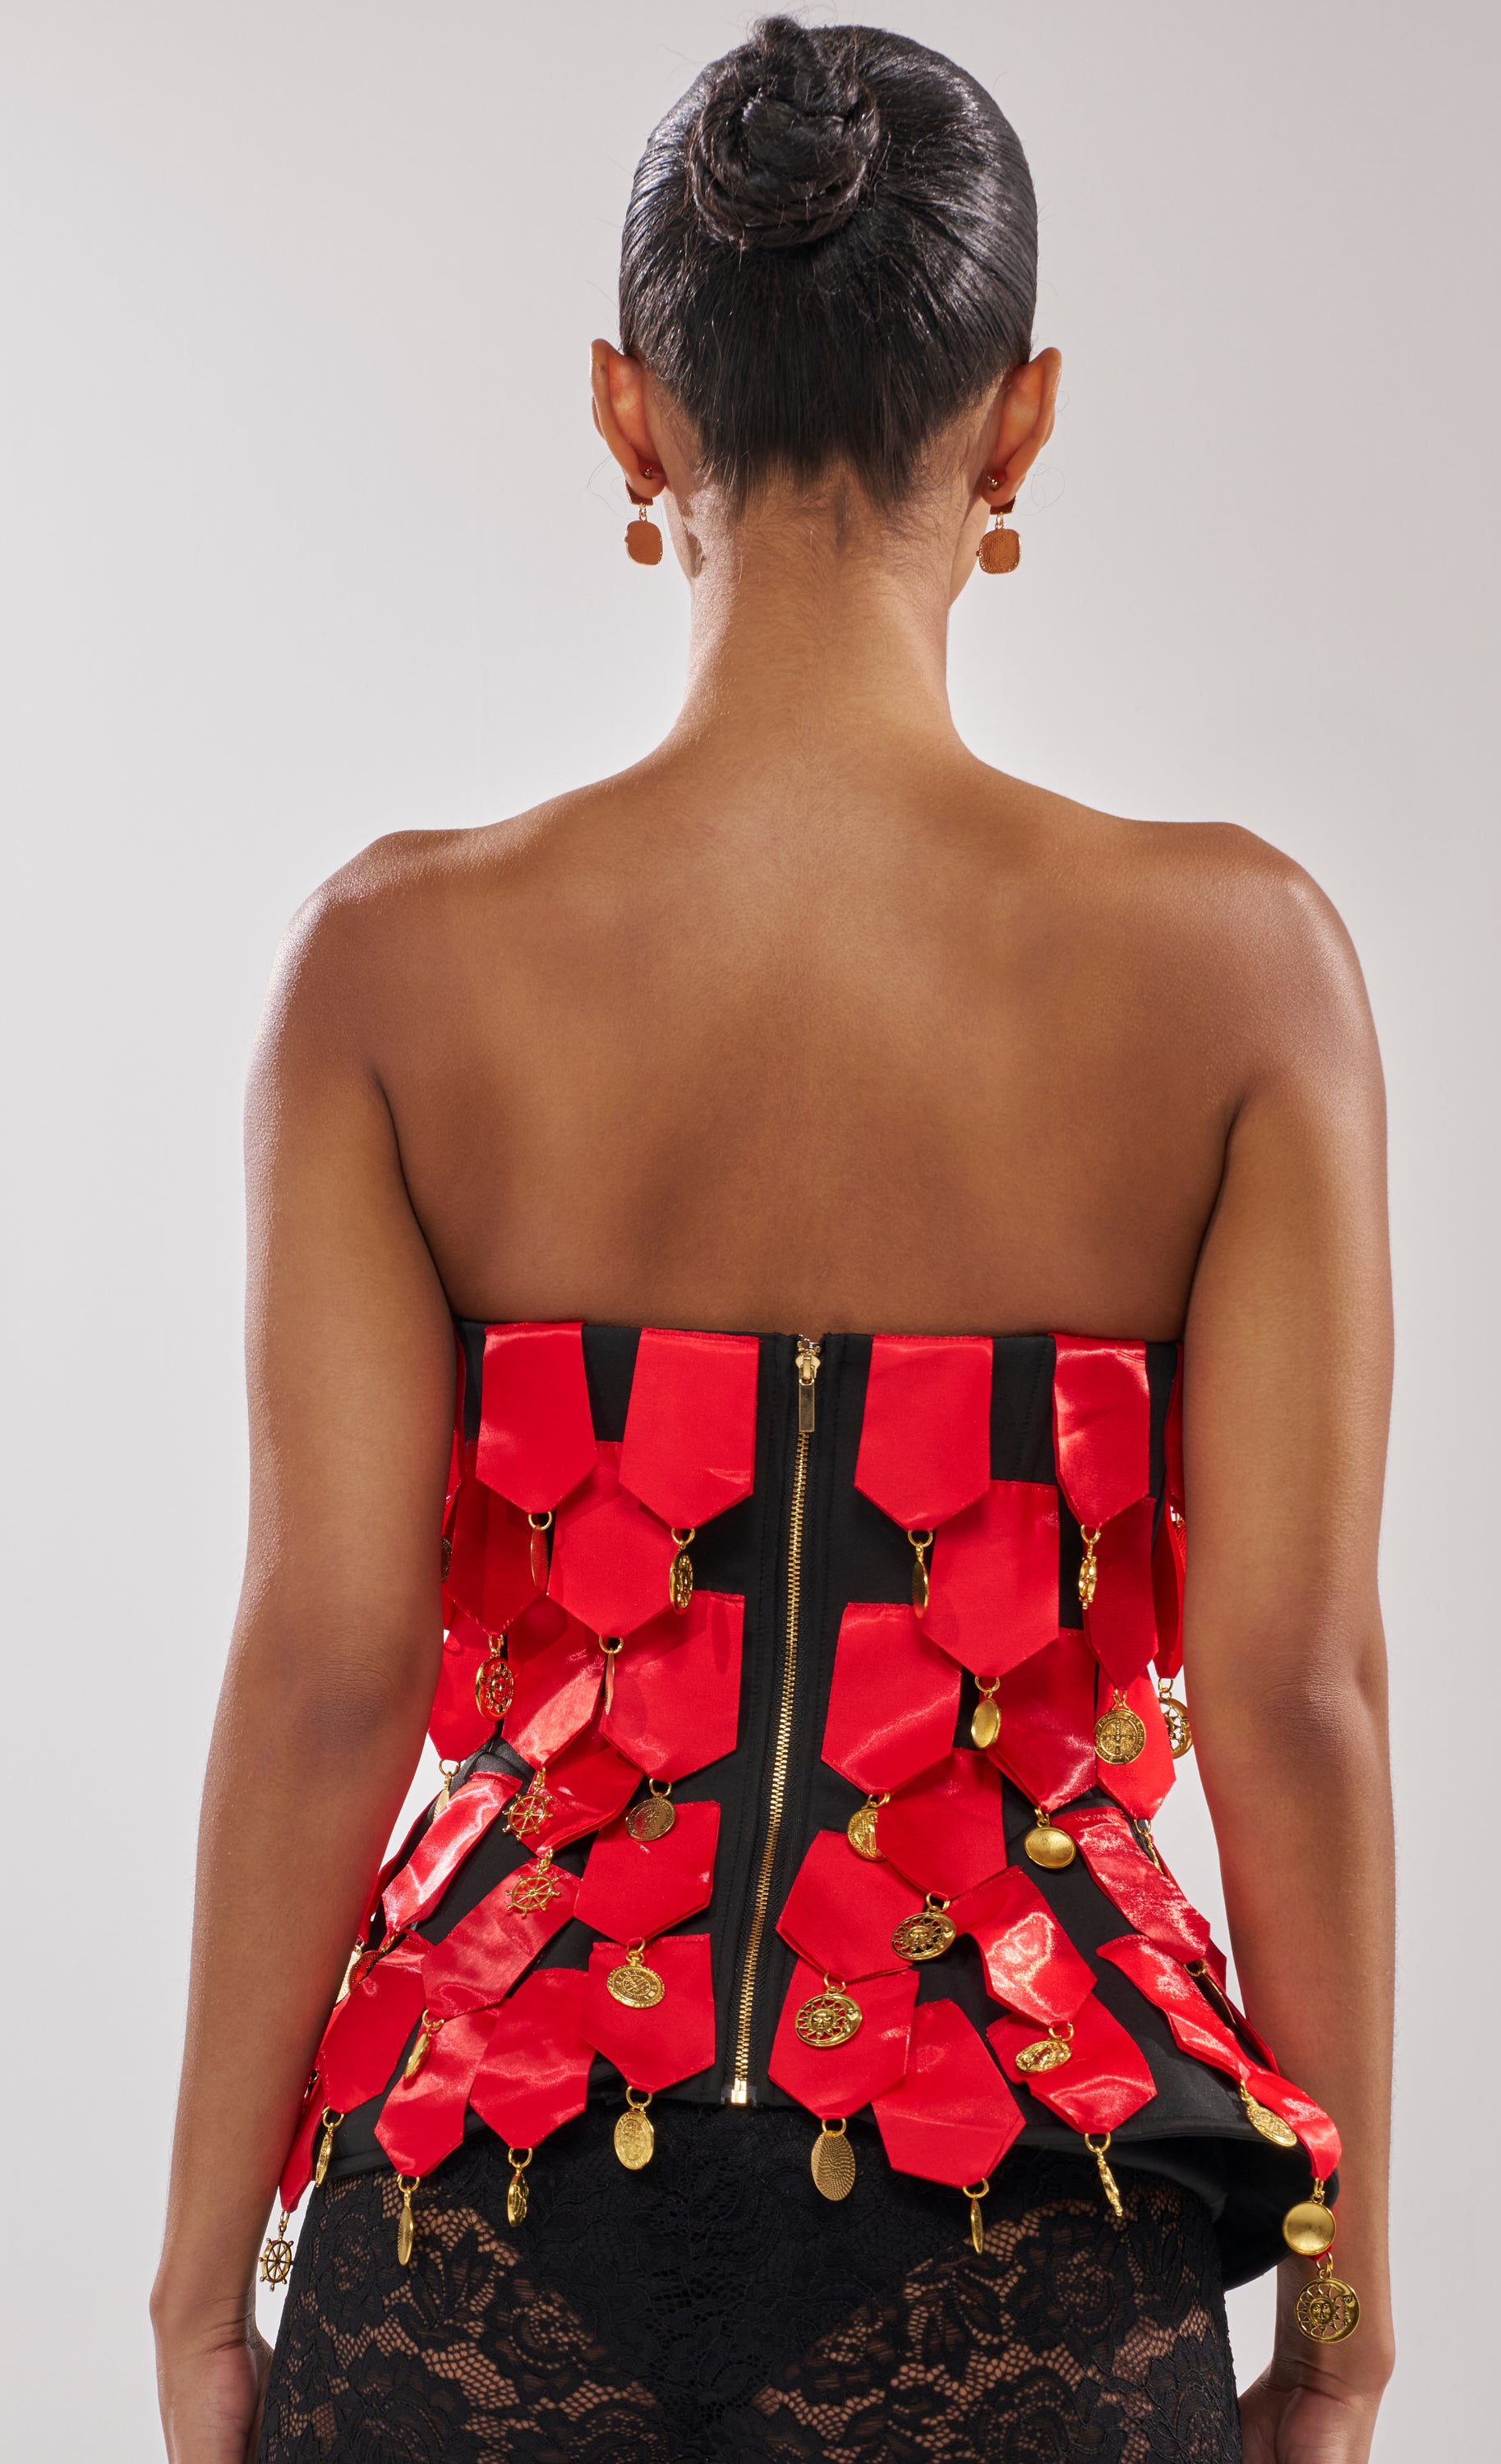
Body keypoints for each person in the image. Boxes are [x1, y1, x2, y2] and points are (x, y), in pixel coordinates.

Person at [151, 18, 1394, 2462]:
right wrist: (1340, 2317)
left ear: (631, 418)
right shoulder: (1238, 969)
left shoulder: (394, 967)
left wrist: (208, 2280)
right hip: (1032, 2248)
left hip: (469, 2234)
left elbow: (325, 1666)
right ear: (1020, 424)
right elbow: (1296, 1694)